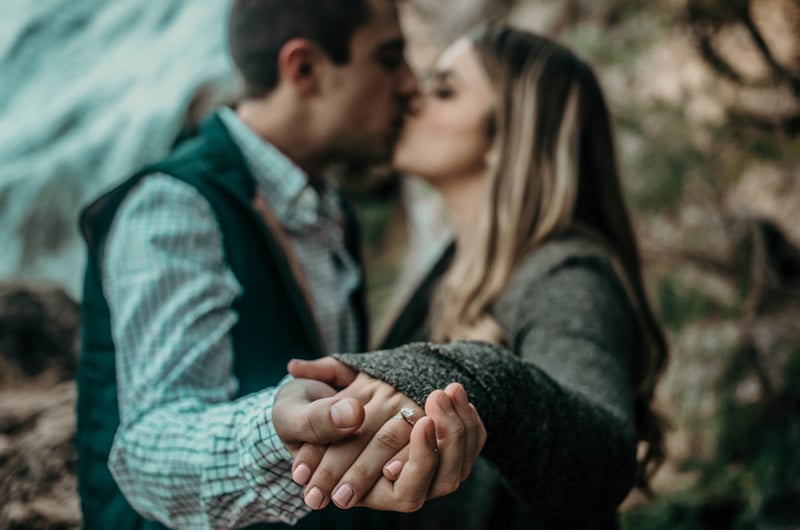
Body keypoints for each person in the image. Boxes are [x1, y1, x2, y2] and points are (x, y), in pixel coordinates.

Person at [75, 0, 486, 529]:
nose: (410, 85)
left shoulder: (331, 208)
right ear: (305, 69)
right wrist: (280, 430)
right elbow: (151, 448)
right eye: (388, 59)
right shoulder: (173, 206)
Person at [288, 25, 670, 529]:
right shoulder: (456, 266)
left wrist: (474, 377)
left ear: (507, 136)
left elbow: (602, 459)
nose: (412, 98)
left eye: (444, 90)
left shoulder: (568, 276)